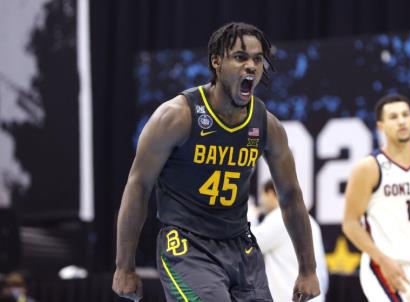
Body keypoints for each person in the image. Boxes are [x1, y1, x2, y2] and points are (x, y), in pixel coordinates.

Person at [112, 22, 320, 302]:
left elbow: (291, 195)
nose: (251, 66)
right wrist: (124, 266)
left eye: (258, 59)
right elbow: (138, 186)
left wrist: (308, 269)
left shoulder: (267, 125)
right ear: (216, 61)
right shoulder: (177, 116)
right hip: (188, 245)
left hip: (241, 246)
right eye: (240, 57)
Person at [342, 94, 410, 301]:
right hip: (383, 266)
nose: (401, 121)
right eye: (393, 117)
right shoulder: (369, 167)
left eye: (405, 115)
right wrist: (382, 260)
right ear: (381, 126)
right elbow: (350, 223)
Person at [252, 179, 329, 302]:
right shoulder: (311, 221)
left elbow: (249, 245)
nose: (261, 201)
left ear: (271, 193)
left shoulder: (279, 217)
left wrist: (250, 217)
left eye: (262, 195)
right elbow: (323, 273)